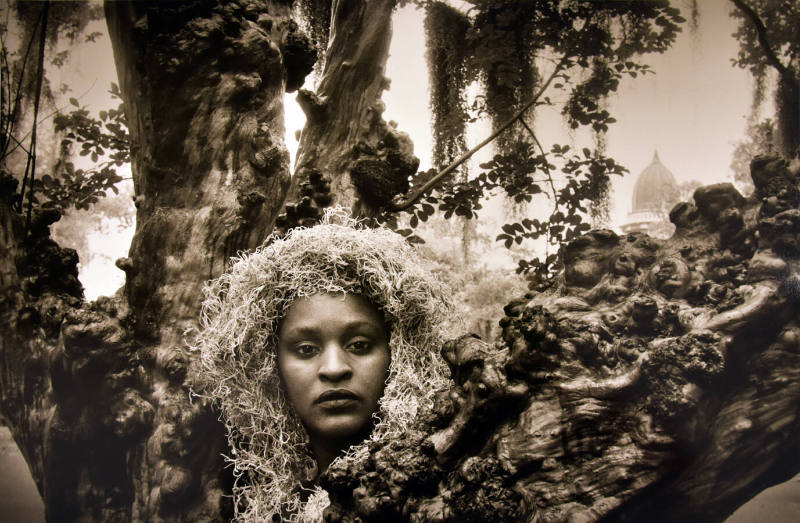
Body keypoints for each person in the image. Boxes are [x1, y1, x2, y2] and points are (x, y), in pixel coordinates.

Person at [190, 208, 455, 522]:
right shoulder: (233, 500)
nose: (334, 368)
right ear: (269, 365)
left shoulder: (449, 489)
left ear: (401, 352)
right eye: (306, 349)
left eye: (359, 345)